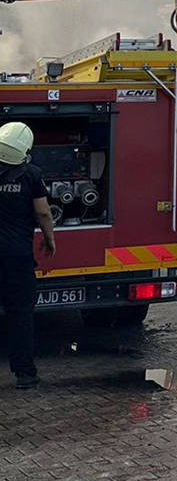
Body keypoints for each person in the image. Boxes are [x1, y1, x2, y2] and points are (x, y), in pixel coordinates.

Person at [0, 121, 56, 389]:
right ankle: (24, 373)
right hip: (17, 258)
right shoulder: (31, 175)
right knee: (19, 314)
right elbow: (44, 213)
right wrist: (49, 239)